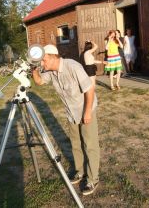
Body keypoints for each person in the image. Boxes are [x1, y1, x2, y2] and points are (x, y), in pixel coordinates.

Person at [32, 44, 100, 196]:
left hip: (85, 109)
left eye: (44, 60)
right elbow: (39, 82)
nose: (43, 64)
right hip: (72, 112)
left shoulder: (72, 66)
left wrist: (87, 112)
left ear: (53, 56)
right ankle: (79, 171)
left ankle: (93, 178)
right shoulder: (51, 72)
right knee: (76, 144)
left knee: (90, 145)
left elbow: (89, 89)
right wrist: (34, 69)